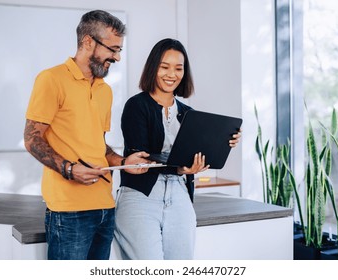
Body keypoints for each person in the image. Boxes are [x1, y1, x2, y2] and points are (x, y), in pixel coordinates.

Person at [24, 10, 149, 260]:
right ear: (88, 41)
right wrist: (69, 169)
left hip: (105, 206)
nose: (117, 57)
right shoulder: (51, 79)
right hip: (69, 211)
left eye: (119, 50)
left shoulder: (105, 90)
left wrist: (125, 163)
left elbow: (99, 146)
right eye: (112, 49)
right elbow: (32, 139)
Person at [114, 38, 242, 260]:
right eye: (164, 67)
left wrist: (221, 143)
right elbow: (143, 158)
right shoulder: (136, 106)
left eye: (178, 68)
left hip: (179, 194)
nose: (171, 74)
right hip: (141, 196)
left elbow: (192, 152)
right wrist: (181, 168)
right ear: (153, 67)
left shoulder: (188, 113)